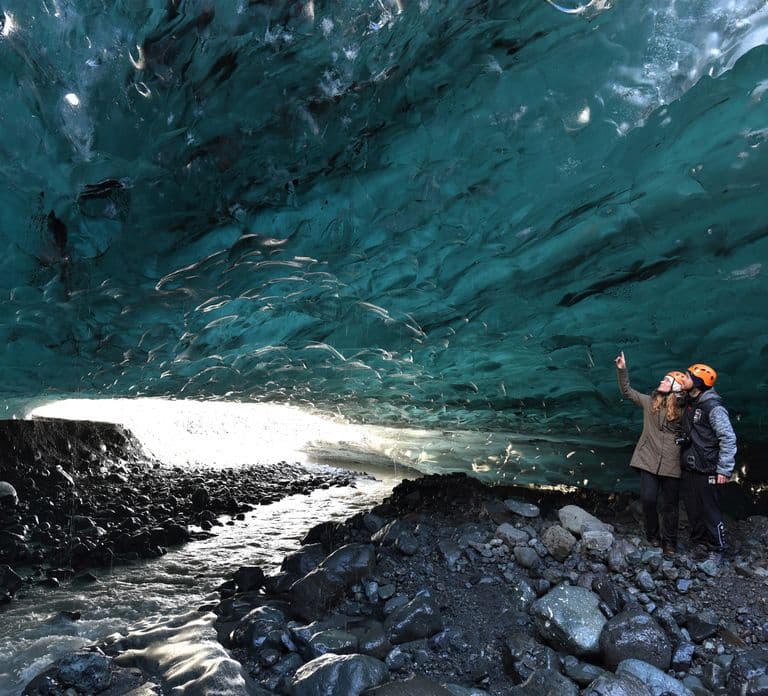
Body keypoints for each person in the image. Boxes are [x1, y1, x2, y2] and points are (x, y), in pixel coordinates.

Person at [615, 351, 686, 554]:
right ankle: (652, 535)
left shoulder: (683, 410)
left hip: (672, 463)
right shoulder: (649, 402)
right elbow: (627, 391)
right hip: (648, 459)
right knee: (649, 499)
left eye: (666, 380)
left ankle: (669, 542)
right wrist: (622, 370)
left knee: (670, 505)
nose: (661, 381)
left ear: (675, 387)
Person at [678, 363, 737, 557]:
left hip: (707, 467)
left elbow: (728, 437)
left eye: (687, 376)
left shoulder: (713, 407)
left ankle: (719, 546)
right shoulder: (690, 402)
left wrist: (724, 470)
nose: (683, 378)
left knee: (709, 509)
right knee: (692, 507)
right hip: (690, 466)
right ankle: (699, 543)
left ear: (698, 382)